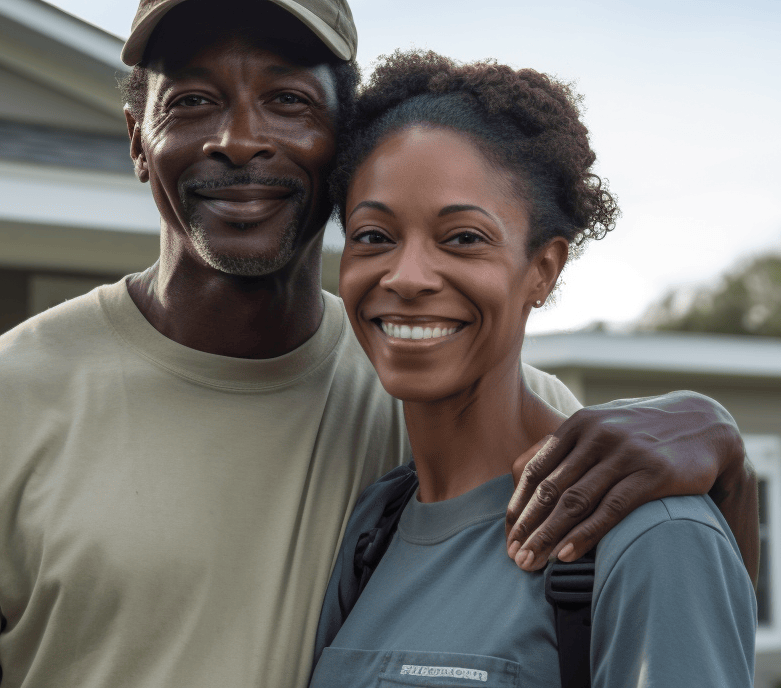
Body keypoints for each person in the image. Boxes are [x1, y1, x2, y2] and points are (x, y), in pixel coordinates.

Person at [0, 1, 757, 687]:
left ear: (341, 143)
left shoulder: (447, 393)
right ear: (137, 137)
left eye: (287, 100)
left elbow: (675, 589)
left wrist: (718, 444)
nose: (239, 139)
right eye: (193, 101)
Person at [309, 51, 755, 687]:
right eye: (373, 236)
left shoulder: (648, 534)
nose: (405, 277)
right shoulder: (372, 533)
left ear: (542, 270)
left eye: (463, 238)